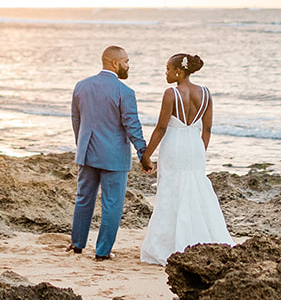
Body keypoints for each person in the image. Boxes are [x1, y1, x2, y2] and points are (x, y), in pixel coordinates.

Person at [138, 52, 233, 265]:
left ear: (179, 72)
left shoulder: (171, 93)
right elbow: (207, 129)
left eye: (168, 69)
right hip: (195, 147)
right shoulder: (206, 93)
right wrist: (199, 151)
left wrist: (146, 155)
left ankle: (170, 244)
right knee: (196, 189)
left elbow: (161, 128)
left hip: (175, 145)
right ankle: (202, 237)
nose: (166, 73)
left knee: (171, 190)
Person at [69, 45, 150, 261]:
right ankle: (102, 252)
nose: (128, 66)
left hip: (87, 152)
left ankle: (77, 245)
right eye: (126, 62)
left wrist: (82, 145)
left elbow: (76, 120)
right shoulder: (125, 92)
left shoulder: (81, 86)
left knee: (83, 198)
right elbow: (132, 125)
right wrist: (143, 153)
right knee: (112, 204)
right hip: (114, 157)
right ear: (115, 63)